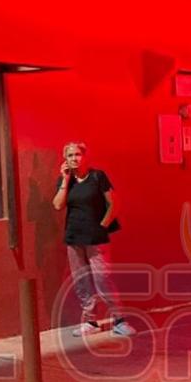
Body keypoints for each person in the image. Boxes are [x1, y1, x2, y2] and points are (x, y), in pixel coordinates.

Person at [51, 142, 134, 337]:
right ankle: (90, 321)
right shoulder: (66, 180)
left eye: (78, 154)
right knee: (81, 280)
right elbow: (57, 205)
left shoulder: (97, 177)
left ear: (85, 156)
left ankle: (119, 320)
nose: (74, 159)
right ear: (65, 159)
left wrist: (102, 225)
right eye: (70, 155)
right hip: (74, 237)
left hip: (96, 238)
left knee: (102, 278)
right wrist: (65, 180)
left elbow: (113, 203)